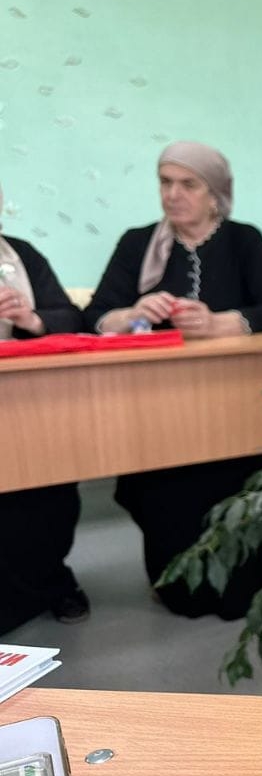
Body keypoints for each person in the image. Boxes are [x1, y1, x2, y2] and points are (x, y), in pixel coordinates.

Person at [84, 141, 262, 619]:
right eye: (165, 182)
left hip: (236, 406)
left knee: (240, 490)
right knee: (168, 499)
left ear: (214, 194)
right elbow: (94, 317)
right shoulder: (138, 243)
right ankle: (179, 587)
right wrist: (133, 313)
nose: (173, 194)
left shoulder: (243, 240)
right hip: (158, 411)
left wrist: (222, 323)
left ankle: (248, 585)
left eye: (188, 184)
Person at [0, 182, 90, 627]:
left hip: (29, 402)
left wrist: (30, 319)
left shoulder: (22, 256)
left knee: (50, 493)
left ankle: (53, 582)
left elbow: (70, 318)